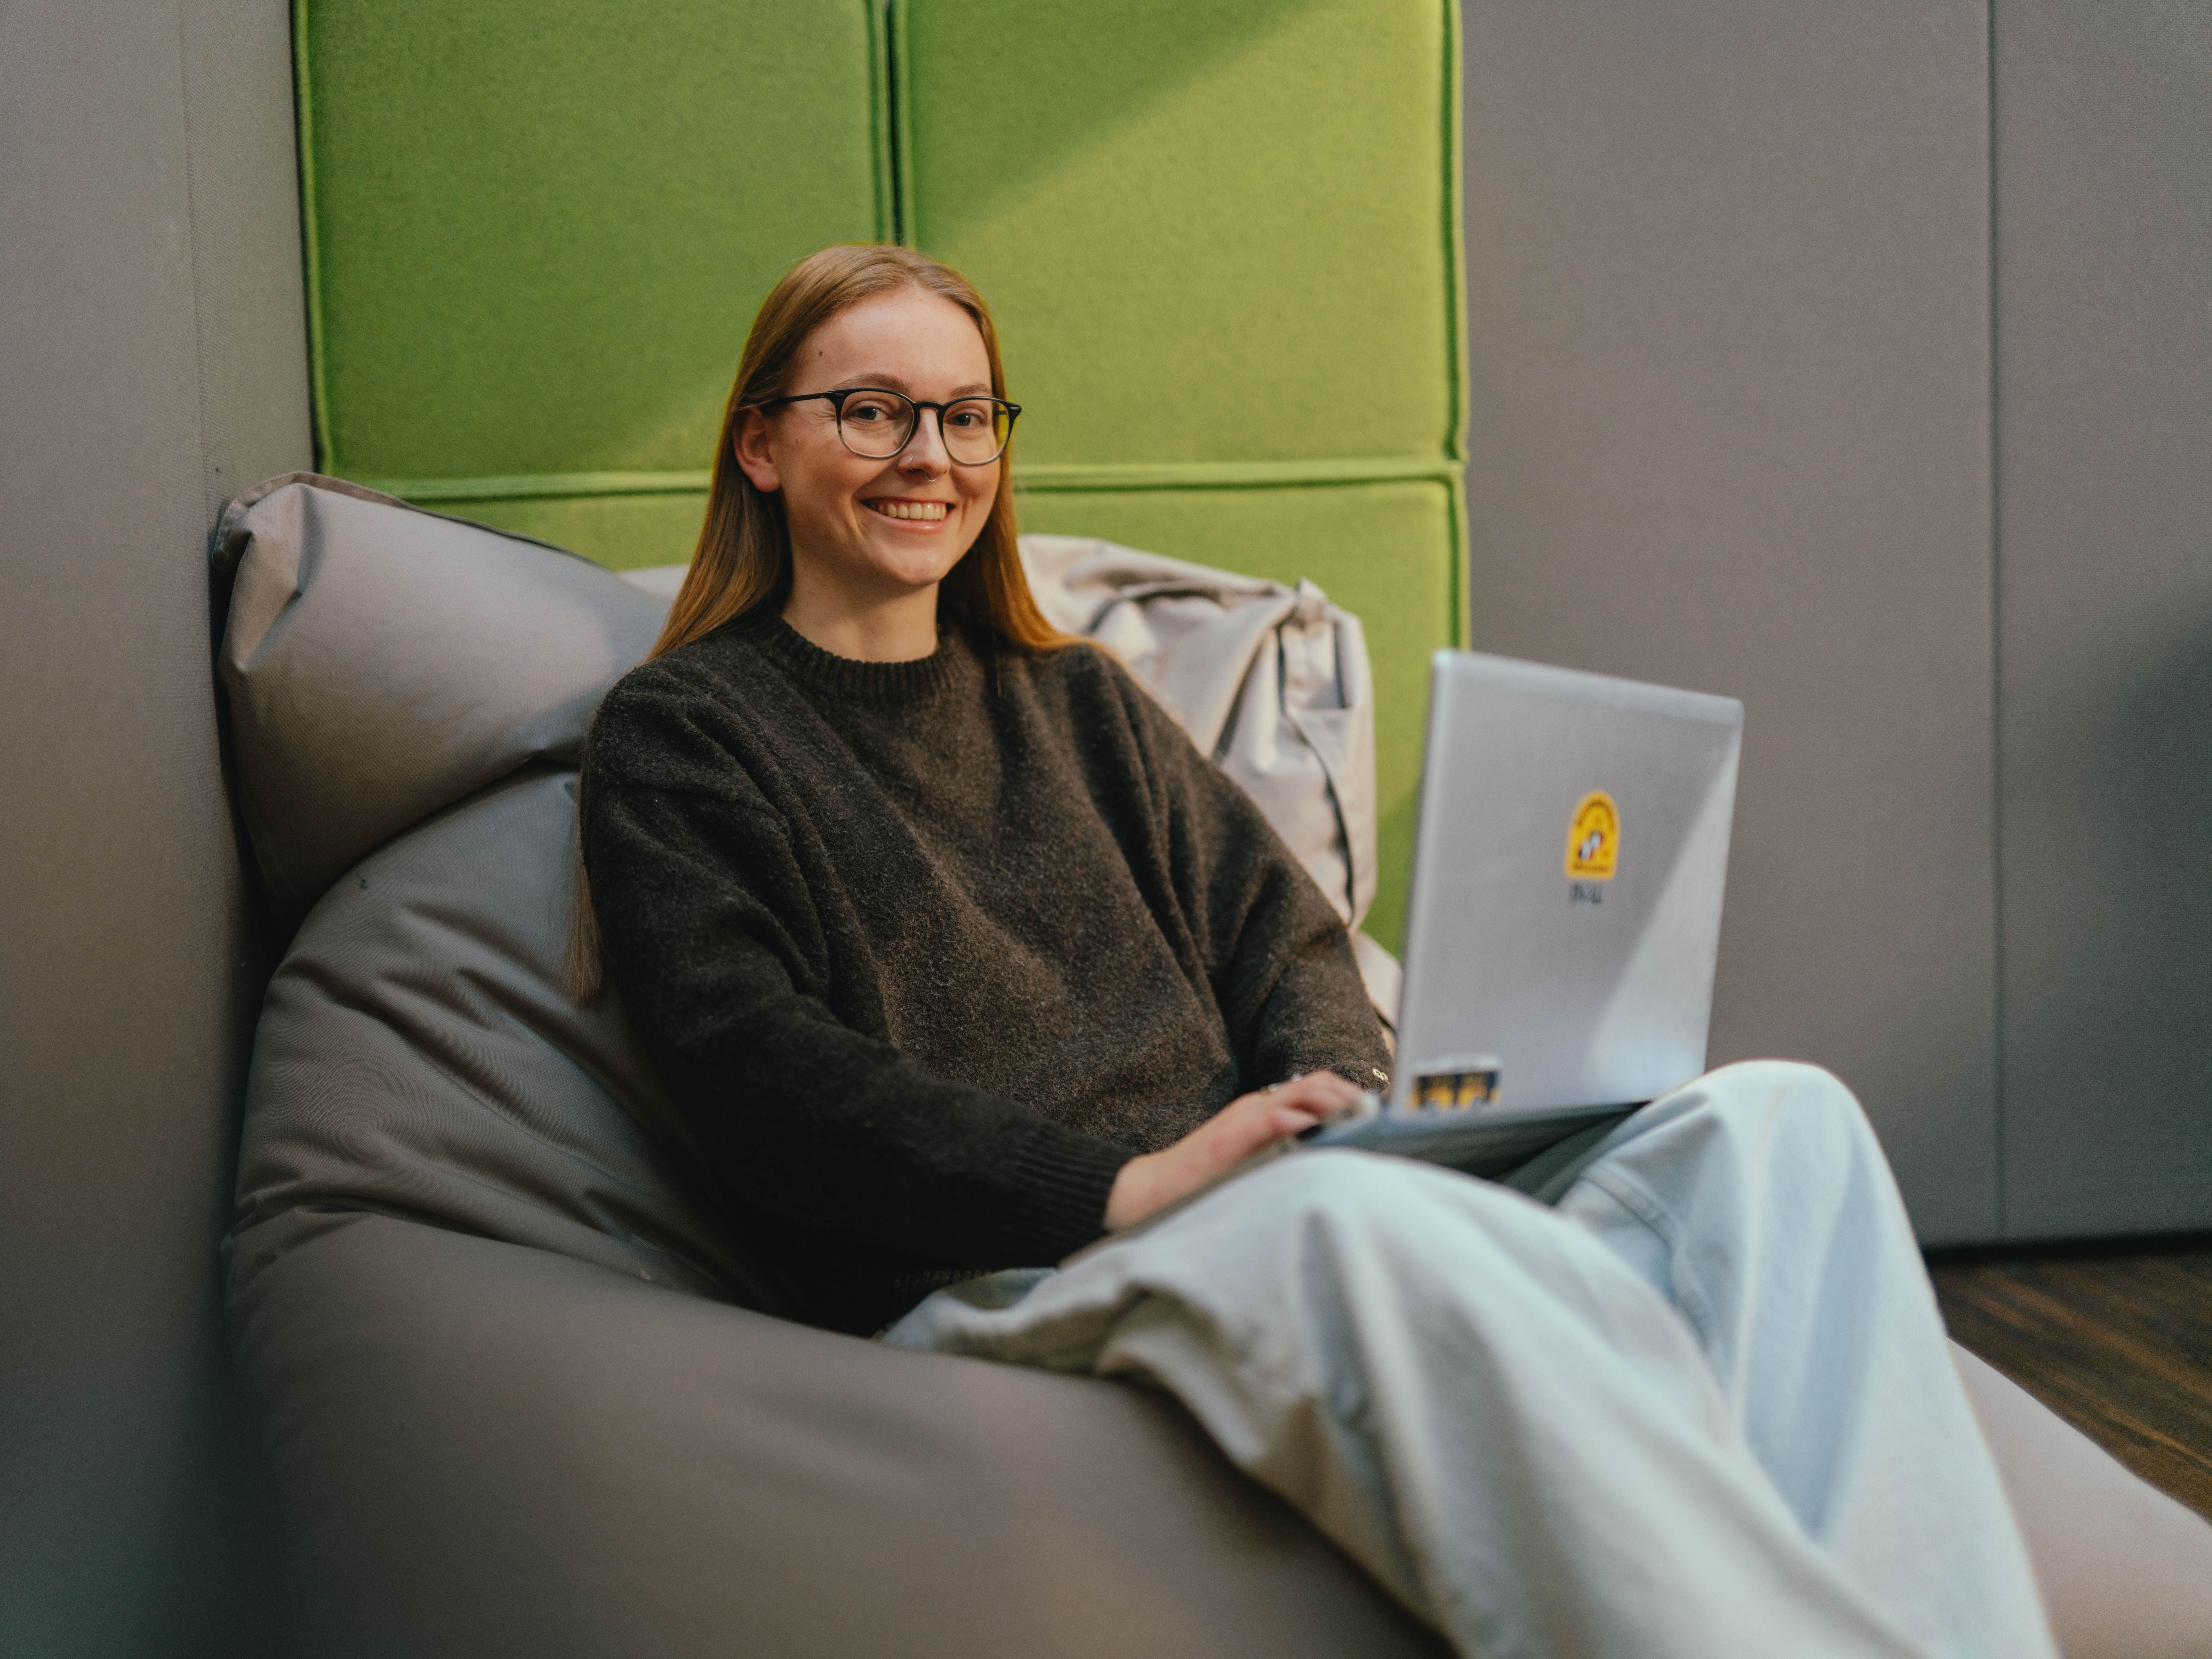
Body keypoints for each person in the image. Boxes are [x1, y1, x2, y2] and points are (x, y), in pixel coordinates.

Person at [576, 244, 2053, 1659]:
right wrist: (1127, 1186)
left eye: (967, 416)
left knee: (1780, 1120)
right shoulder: (689, 736)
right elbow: (756, 1072)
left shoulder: (1079, 698)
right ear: (762, 447)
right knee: (1358, 1230)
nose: (932, 456)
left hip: (1262, 1205)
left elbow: (1289, 938)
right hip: (1011, 1273)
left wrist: (1332, 1102)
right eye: (874, 411)